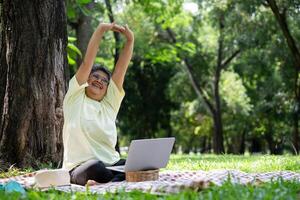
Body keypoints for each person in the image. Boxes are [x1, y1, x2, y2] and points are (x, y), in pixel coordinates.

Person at [62, 22, 134, 186]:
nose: (99, 81)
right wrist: (101, 29)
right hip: (81, 168)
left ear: (108, 89)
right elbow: (87, 62)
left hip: (112, 165)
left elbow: (120, 71)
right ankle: (114, 182)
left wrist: (130, 40)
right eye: (95, 76)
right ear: (87, 79)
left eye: (104, 80)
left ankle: (107, 183)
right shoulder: (75, 97)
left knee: (135, 166)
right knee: (95, 166)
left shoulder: (109, 106)